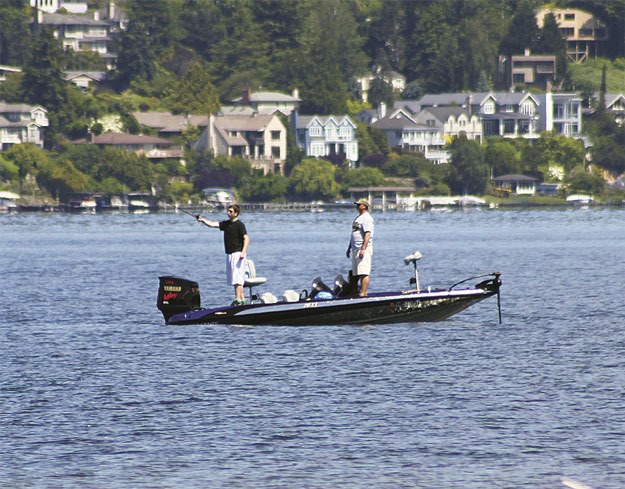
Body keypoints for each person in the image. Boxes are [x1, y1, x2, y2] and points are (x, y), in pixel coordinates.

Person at [197, 204, 249, 306]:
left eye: (230, 211)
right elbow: (212, 224)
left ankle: (238, 299)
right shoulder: (226, 224)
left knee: (238, 278)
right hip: (229, 254)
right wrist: (202, 220)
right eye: (228, 211)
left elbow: (246, 239)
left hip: (238, 254)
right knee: (234, 278)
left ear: (236, 213)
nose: (228, 213)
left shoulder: (240, 225)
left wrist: (243, 252)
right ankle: (241, 299)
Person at [346, 198, 374, 296]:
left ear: (364, 206)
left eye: (359, 205)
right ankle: (356, 291)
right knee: (356, 272)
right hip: (355, 249)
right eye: (357, 205)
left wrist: (363, 249)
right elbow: (353, 234)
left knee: (364, 272)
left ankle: (363, 293)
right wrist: (349, 248)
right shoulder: (358, 218)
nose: (357, 206)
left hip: (363, 250)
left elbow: (367, 234)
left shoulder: (367, 218)